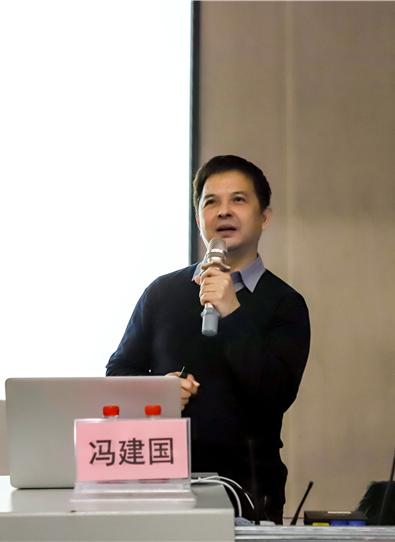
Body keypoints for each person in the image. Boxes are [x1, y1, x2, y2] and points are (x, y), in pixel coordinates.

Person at [106, 155, 310, 523]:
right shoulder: (162, 292)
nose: (223, 211)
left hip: (247, 493)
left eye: (238, 200)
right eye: (211, 201)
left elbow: (276, 394)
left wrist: (232, 312)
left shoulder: (285, 303)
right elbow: (118, 373)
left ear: (265, 217)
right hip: (160, 485)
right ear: (199, 218)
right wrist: (157, 392)